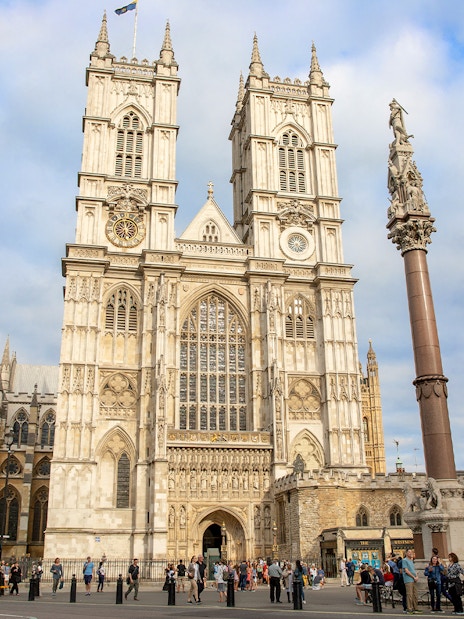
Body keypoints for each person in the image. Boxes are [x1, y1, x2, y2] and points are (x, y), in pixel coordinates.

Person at [402, 548, 421, 614]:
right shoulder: (404, 560)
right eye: (409, 552)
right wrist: (413, 576)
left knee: (415, 594)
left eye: (411, 552)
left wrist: (416, 576)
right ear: (406, 553)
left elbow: (413, 570)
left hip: (414, 579)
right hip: (408, 579)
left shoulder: (411, 560)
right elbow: (406, 570)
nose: (411, 553)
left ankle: (416, 608)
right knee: (409, 594)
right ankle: (409, 608)